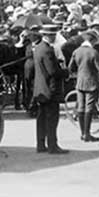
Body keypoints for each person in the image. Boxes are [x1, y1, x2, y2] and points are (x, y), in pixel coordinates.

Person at [26, 24, 67, 154]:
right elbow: (52, 72)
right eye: (53, 35)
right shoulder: (48, 50)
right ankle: (53, 146)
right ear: (48, 36)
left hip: (40, 88)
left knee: (41, 118)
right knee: (52, 118)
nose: (54, 37)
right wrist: (65, 72)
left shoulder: (37, 48)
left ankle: (41, 144)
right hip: (50, 89)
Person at [71, 29, 99, 142]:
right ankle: (87, 133)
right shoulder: (93, 52)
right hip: (91, 82)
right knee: (89, 107)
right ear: (93, 41)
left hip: (80, 82)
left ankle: (82, 133)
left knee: (81, 107)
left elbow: (71, 67)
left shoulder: (76, 51)